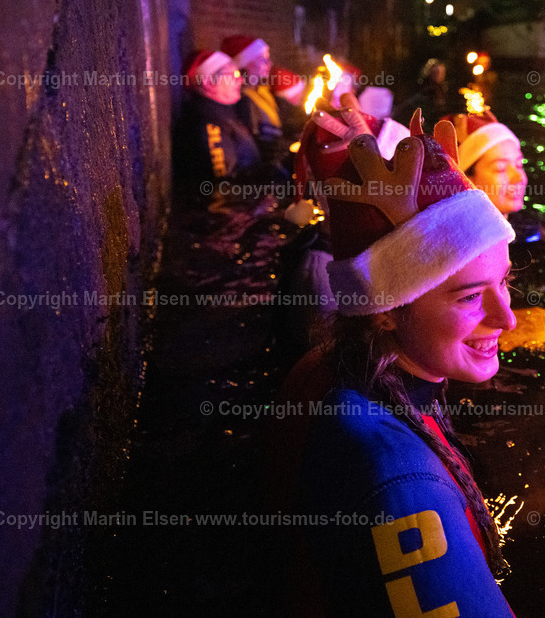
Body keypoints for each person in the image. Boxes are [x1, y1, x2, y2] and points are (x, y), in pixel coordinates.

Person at [285, 106, 518, 616]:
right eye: (470, 297)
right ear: (387, 310)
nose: (509, 320)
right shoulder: (403, 483)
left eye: (505, 282)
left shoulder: (340, 364)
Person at [442, 110, 545, 244]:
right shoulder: (453, 246)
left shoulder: (539, 233)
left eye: (519, 165)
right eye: (500, 168)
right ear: (466, 179)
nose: (518, 178)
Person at [172, 50, 260, 186]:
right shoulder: (207, 121)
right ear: (208, 82)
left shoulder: (221, 111)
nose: (240, 80)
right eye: (233, 74)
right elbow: (221, 186)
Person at [220, 35, 291, 171]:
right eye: (262, 60)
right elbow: (255, 143)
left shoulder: (261, 92)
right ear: (245, 63)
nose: (269, 64)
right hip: (264, 168)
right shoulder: (243, 99)